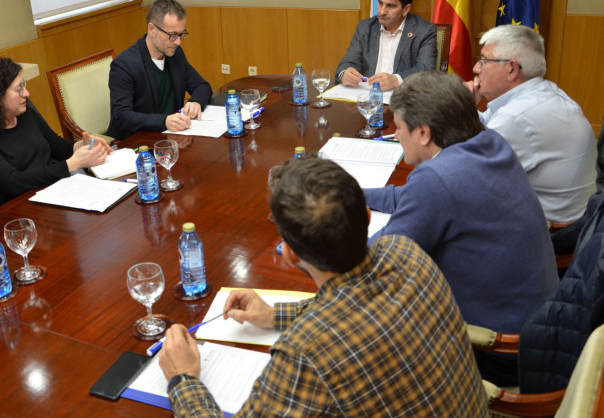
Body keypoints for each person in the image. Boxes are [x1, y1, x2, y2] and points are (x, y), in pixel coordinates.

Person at [159, 156, 488, 416]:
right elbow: (353, 299)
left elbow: (338, 316)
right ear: (368, 215)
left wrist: (183, 378)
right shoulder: (406, 251)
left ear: (288, 255)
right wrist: (275, 315)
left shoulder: (306, 352)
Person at [365, 71, 559, 386]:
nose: (397, 135)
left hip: (497, 352)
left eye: (399, 127)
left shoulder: (437, 180)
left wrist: (314, 235)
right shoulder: (488, 143)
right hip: (541, 336)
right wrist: (350, 194)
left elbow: (373, 264)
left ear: (423, 133)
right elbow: (413, 197)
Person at [466, 25, 596, 225]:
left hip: (552, 235)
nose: (476, 68)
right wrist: (467, 107)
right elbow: (487, 129)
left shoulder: (516, 117)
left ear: (511, 68)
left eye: (484, 61)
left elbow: (469, 179)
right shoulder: (542, 91)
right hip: (577, 222)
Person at [0, 57, 112, 207]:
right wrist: (72, 164)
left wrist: (80, 146)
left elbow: (56, 146)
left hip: (57, 191)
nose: (27, 94)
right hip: (20, 210)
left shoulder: (23, 112)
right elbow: (14, 182)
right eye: (18, 89)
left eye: (24, 85)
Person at [107, 0, 212, 140]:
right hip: (136, 143)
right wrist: (164, 121)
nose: (178, 42)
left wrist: (196, 102)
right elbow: (121, 117)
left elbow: (202, 86)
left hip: (172, 137)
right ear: (152, 29)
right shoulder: (125, 65)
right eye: (172, 35)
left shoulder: (174, 54)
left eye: (181, 35)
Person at [335, 0, 436, 91]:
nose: (382, 11)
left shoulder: (424, 31)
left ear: (406, 9)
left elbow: (426, 69)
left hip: (403, 98)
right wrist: (344, 74)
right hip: (366, 97)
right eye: (380, 3)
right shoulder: (365, 27)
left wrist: (395, 79)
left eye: (390, 6)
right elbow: (347, 63)